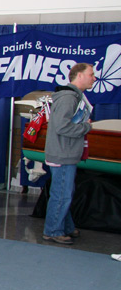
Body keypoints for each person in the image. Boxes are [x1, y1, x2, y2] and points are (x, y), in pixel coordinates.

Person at [42, 62, 95, 245]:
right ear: (79, 76)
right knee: (62, 194)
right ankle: (53, 230)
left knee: (65, 192)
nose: (94, 78)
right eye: (91, 74)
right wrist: (85, 126)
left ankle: (65, 226)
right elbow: (62, 126)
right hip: (63, 153)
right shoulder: (69, 98)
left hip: (65, 152)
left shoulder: (72, 97)